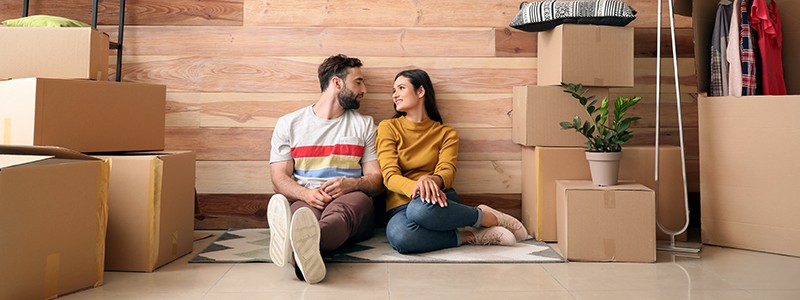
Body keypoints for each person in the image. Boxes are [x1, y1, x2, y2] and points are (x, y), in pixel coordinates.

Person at [376, 69, 528, 254]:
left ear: (421, 91)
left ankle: (490, 217)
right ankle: (472, 235)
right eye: (394, 90)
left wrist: (430, 180)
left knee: (420, 211)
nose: (395, 95)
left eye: (401, 88)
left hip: (437, 201)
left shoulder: (446, 133)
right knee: (401, 237)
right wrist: (418, 186)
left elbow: (447, 171)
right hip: (400, 205)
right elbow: (389, 176)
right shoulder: (388, 127)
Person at [268, 54, 384, 284]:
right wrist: (307, 194)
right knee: (301, 216)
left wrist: (353, 184)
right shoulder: (289, 124)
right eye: (358, 81)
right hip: (307, 197)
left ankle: (292, 243)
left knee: (341, 214)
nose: (364, 90)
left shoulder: (365, 124)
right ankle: (304, 249)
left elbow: (377, 180)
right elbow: (278, 178)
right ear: (337, 82)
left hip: (351, 199)